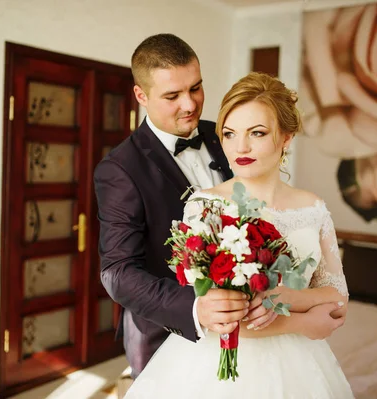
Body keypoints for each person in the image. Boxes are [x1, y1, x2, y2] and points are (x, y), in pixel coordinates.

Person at [124, 72, 353, 398]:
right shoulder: (206, 207)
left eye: (257, 133)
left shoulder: (313, 207)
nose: (240, 147)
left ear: (286, 137)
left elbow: (337, 294)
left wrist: (286, 298)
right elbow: (217, 318)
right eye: (229, 134)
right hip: (215, 368)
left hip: (301, 364)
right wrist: (300, 321)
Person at [94, 34, 276, 380]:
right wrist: (195, 307)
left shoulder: (225, 135)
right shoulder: (119, 169)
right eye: (172, 95)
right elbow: (117, 272)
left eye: (196, 88)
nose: (190, 104)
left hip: (247, 329)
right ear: (141, 96)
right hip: (166, 333)